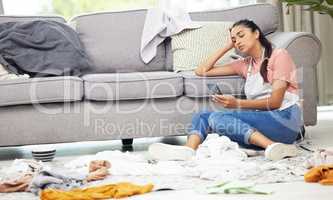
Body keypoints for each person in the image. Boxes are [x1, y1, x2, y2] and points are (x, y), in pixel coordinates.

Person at [149, 19, 303, 161]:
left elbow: (276, 102)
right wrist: (227, 46)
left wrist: (237, 103)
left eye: (241, 35)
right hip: (264, 122)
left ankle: (272, 147)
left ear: (256, 33)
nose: (238, 42)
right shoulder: (245, 65)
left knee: (217, 118)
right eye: (234, 40)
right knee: (202, 115)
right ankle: (188, 150)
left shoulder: (279, 56)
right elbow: (201, 70)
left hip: (284, 120)